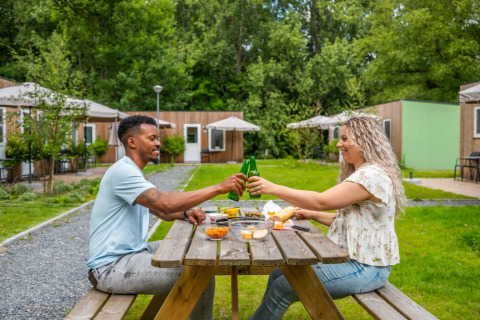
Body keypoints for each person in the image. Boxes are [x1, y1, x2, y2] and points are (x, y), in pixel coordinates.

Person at [86, 115, 247, 320]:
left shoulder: (131, 172)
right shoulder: (123, 173)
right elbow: (166, 203)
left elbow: (163, 212)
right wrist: (219, 188)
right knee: (199, 273)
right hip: (110, 267)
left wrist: (186, 213)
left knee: (191, 245)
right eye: (152, 138)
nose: (158, 142)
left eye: (157, 138)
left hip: (133, 253)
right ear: (132, 142)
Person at [247, 116, 407, 319]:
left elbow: (321, 200)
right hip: (349, 261)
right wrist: (312, 215)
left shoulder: (371, 176)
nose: (339, 144)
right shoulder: (364, 173)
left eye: (345, 139)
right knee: (278, 274)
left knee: (284, 286)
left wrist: (273, 188)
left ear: (364, 140)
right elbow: (346, 222)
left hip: (366, 268)